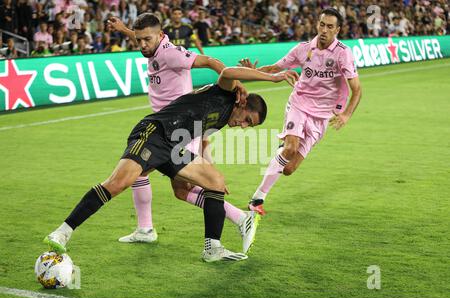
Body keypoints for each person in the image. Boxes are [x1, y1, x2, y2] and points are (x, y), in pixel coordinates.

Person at [44, 66, 298, 262]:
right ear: (242, 103)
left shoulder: (222, 119)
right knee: (118, 183)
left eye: (248, 127)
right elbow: (226, 72)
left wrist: (208, 172)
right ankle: (63, 231)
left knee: (216, 182)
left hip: (173, 147)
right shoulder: (226, 94)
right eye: (246, 120)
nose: (242, 126)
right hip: (154, 133)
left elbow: (202, 141)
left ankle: (213, 248)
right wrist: (272, 77)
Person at [105, 13, 256, 253]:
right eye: (139, 39)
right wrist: (124, 30)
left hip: (178, 130)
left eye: (146, 39)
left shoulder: (172, 53)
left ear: (159, 35)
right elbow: (144, 36)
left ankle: (240, 218)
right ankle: (145, 229)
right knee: (161, 182)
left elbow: (210, 61)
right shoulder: (153, 47)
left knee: (169, 184)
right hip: (168, 128)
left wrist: (235, 82)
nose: (142, 43)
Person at [241, 8, 362, 215]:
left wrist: (346, 114)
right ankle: (257, 199)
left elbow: (357, 89)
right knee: (290, 148)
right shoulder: (303, 49)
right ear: (317, 25)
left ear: (338, 30)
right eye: (322, 24)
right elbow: (275, 67)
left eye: (330, 26)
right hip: (299, 104)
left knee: (288, 168)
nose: (324, 30)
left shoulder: (343, 54)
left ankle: (283, 148)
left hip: (321, 116)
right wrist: (254, 70)